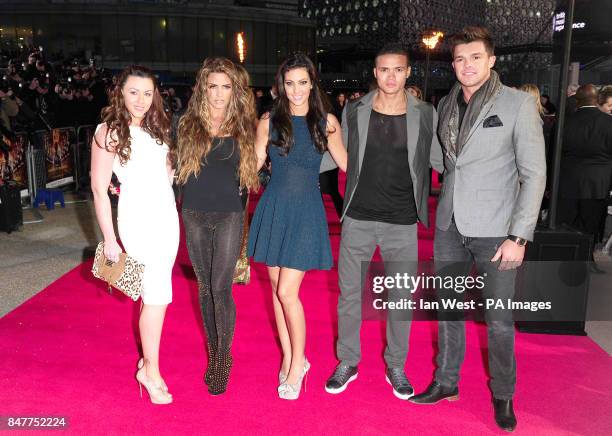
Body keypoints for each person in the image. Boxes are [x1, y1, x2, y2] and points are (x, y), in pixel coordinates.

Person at [409, 27, 546, 433]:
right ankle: (446, 381)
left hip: (497, 231)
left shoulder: (518, 104)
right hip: (451, 224)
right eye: (459, 59)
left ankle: (503, 394)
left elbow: (534, 174)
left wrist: (519, 236)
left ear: (491, 60)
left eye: (474, 58)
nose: (465, 65)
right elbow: (442, 160)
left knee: (499, 320)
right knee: (448, 311)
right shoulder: (447, 103)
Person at [322, 43, 444, 400]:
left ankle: (396, 365)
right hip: (358, 216)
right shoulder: (355, 109)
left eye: (398, 70)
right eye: (384, 70)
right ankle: (348, 360)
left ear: (408, 73)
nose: (391, 76)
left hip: (403, 220)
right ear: (375, 73)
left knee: (401, 298)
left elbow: (438, 159)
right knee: (349, 295)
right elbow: (339, 154)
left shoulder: (425, 113)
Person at [247, 52, 347, 400]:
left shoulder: (327, 122)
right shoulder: (268, 122)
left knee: (288, 293)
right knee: (277, 291)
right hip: (274, 208)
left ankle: (297, 367)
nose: (296, 90)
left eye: (302, 82)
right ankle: (292, 356)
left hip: (306, 212)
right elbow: (254, 165)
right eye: (290, 83)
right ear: (281, 86)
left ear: (312, 83)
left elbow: (348, 163)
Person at [90, 65, 179, 405]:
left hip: (167, 216)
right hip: (137, 219)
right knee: (157, 296)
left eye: (147, 92)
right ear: (120, 93)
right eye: (133, 92)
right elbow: (99, 189)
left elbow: (166, 175)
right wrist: (110, 239)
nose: (141, 100)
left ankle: (148, 363)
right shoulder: (108, 131)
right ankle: (151, 371)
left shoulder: (158, 128)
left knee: (158, 294)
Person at [174, 57, 259, 395]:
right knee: (205, 289)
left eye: (226, 87)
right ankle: (214, 352)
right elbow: (170, 166)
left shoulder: (245, 125)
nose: (220, 94)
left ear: (235, 90)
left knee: (221, 287)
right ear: (203, 89)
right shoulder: (186, 123)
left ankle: (223, 358)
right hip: (194, 213)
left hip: (229, 215)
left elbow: (259, 164)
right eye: (214, 86)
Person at [558, 84, 612, 273]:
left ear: (577, 100)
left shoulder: (564, 121)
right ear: (597, 101)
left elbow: (552, 154)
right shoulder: (608, 122)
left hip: (567, 180)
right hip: (598, 183)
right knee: (591, 225)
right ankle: (588, 261)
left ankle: (567, 261)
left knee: (567, 225)